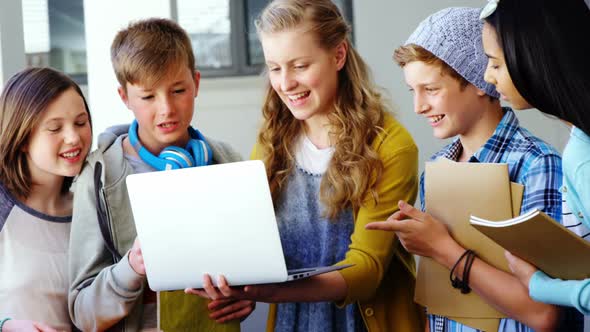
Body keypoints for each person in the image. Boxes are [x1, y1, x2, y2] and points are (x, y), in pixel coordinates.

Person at [187, 0, 425, 331]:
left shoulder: (390, 147)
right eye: (274, 67)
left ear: (338, 56)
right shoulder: (272, 141)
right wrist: (240, 289)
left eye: (299, 66)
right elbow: (253, 243)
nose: (285, 83)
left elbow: (367, 269)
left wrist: (273, 291)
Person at [366, 7, 565, 332]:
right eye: (412, 91)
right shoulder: (436, 171)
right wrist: (419, 242)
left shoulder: (537, 165)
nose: (418, 106)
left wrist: (443, 248)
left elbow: (543, 314)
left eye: (431, 90)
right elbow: (441, 307)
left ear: (478, 80)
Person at [67, 18, 252, 331]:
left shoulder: (228, 162)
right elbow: (83, 313)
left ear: (196, 83)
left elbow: (250, 275)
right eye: (148, 97)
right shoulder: (97, 178)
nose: (166, 108)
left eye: (178, 90)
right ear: (124, 97)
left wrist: (248, 295)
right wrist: (132, 267)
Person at [479, 0, 590, 319]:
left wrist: (539, 285)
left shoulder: (582, 158)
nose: (488, 76)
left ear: (534, 57)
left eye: (496, 63)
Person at [0, 67, 92, 332]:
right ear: (22, 138)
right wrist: (6, 326)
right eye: (55, 128)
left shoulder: (95, 210)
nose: (73, 138)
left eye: (80, 122)